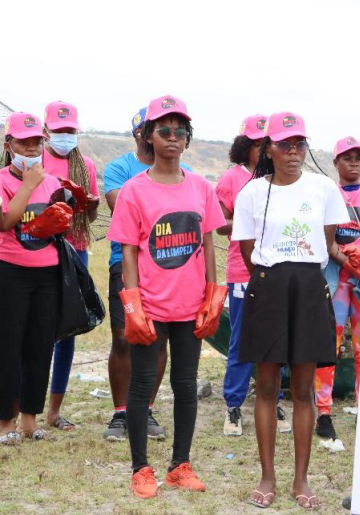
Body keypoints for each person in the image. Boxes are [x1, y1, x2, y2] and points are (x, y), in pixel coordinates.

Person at [107, 95, 227, 499]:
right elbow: (127, 249)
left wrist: (212, 295)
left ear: (188, 139)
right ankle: (141, 468)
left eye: (180, 131)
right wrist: (132, 303)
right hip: (152, 307)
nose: (173, 138)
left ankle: (180, 465)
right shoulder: (133, 191)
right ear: (148, 137)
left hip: (191, 306)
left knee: (186, 384)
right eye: (164, 130)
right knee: (142, 386)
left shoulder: (200, 187)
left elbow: (208, 242)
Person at [232, 111, 349, 510]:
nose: (293, 152)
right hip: (267, 287)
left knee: (302, 389)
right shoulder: (250, 193)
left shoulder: (324, 188)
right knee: (265, 387)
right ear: (268, 149)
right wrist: (273, 281)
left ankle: (301, 479)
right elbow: (248, 253)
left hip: (309, 288)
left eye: (300, 144)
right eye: (284, 145)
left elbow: (327, 241)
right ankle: (268, 477)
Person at [102, 107, 192, 441]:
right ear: (140, 133)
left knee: (158, 341)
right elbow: (119, 206)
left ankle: (147, 409)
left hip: (171, 265)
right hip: (124, 262)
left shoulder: (189, 173)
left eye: (175, 132)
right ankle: (120, 413)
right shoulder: (119, 168)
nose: (169, 137)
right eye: (155, 130)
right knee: (124, 339)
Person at [216, 114, 291, 436]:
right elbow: (219, 224)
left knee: (276, 339)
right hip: (243, 270)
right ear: (244, 145)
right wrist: (251, 220)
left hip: (281, 270)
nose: (262, 149)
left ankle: (271, 397)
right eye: (257, 144)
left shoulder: (284, 178)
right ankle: (233, 406)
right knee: (242, 340)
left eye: (268, 143)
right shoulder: (232, 179)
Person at [0, 113, 71, 444]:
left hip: (48, 274)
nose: (30, 148)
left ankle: (30, 419)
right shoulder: (4, 179)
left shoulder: (52, 182)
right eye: (22, 142)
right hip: (10, 272)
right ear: (8, 144)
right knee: (8, 347)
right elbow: (6, 222)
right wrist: (27, 186)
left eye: (35, 142)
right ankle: (5, 423)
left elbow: (60, 224)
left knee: (40, 347)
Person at [40, 100, 101, 432]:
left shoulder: (85, 165)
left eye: (70, 131)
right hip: (39, 250)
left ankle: (55, 411)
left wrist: (88, 205)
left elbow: (89, 218)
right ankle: (24, 406)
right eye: (59, 130)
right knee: (37, 331)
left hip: (75, 252)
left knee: (68, 331)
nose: (65, 136)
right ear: (46, 130)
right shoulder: (36, 161)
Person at [314, 136, 360, 441]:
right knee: (329, 344)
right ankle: (323, 411)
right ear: (336, 162)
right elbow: (323, 240)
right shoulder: (328, 195)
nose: (354, 163)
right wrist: (350, 263)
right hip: (335, 278)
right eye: (348, 158)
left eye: (359, 158)